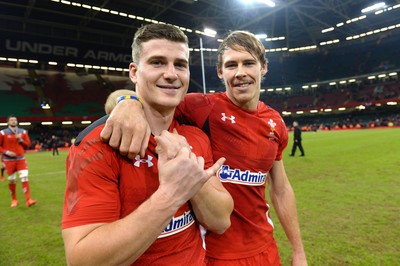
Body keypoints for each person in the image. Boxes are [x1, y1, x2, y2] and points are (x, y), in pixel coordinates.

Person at [101, 31, 307, 265]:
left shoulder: (275, 122)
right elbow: (138, 97)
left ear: (263, 68)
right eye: (231, 65)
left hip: (265, 249)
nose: (240, 73)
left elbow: (280, 188)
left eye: (248, 63)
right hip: (214, 253)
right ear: (220, 72)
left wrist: (298, 250)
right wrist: (126, 103)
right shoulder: (199, 107)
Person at [61, 23, 233, 266]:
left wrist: (190, 173)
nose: (171, 73)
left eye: (180, 65)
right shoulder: (97, 145)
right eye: (157, 62)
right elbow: (82, 260)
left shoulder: (193, 137)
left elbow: (221, 221)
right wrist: (172, 194)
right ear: (133, 72)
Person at [0, 115, 37, 207]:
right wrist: (6, 152)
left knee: (24, 177)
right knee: (12, 180)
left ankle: (28, 200)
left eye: (15, 120)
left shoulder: (23, 132)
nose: (13, 121)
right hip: (9, 160)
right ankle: (14, 200)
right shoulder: (3, 133)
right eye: (11, 120)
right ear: (8, 122)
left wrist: (21, 140)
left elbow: (28, 144)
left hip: (20, 159)